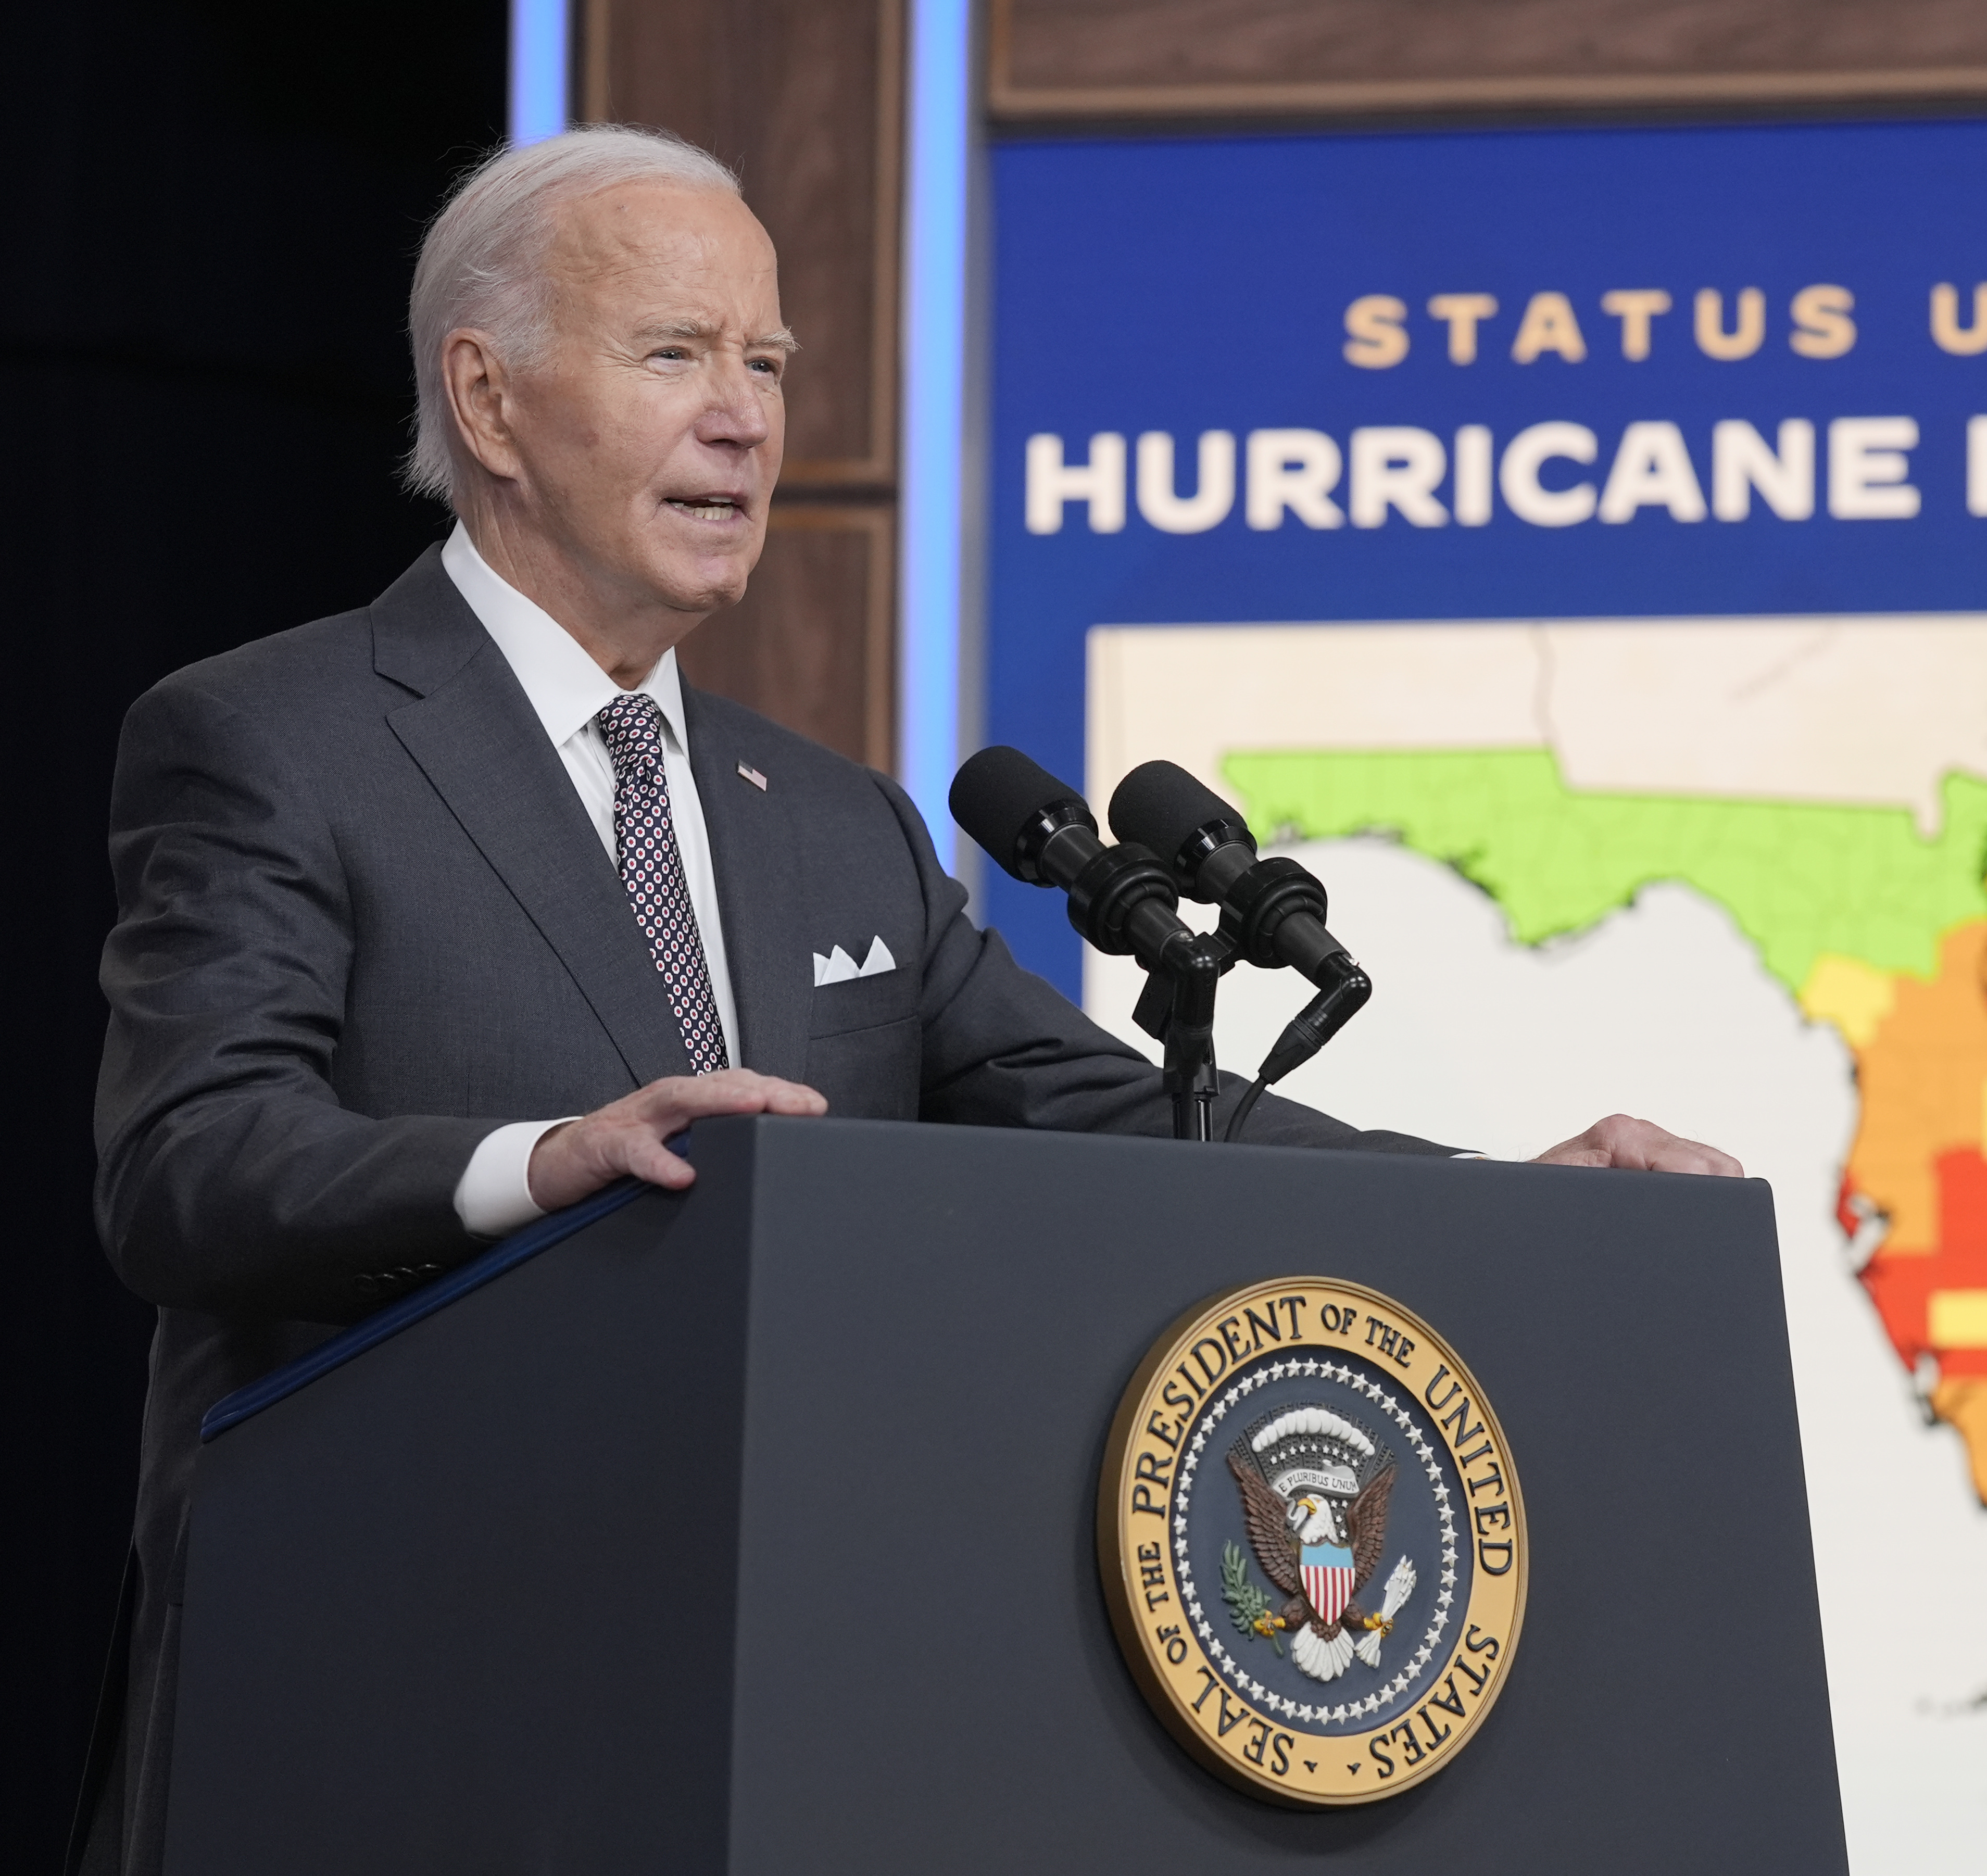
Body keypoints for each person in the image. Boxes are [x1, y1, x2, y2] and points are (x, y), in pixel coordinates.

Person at [74, 124, 1737, 1873]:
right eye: (674, 355)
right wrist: (542, 1161)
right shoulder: (279, 737)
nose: (745, 414)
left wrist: (1507, 1207)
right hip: (388, 1716)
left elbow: (1120, 1111)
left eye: (769, 361)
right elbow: (186, 1165)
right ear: (486, 403)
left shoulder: (836, 822)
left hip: (758, 1724)